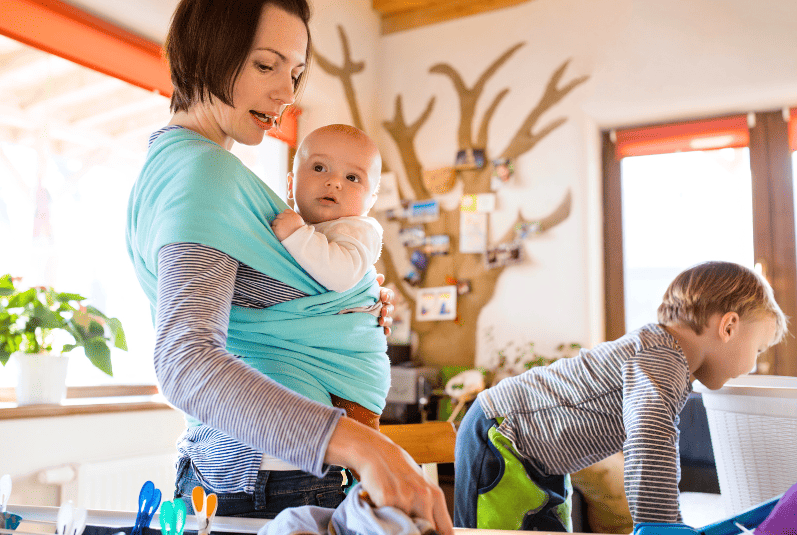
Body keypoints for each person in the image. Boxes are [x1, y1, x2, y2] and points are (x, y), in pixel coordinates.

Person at [125, 1, 452, 533]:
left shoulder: (184, 167)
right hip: (263, 475)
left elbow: (271, 296)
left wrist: (349, 308)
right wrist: (367, 446)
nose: (286, 93)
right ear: (208, 53)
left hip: (248, 465)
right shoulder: (204, 175)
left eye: (295, 73)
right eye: (265, 65)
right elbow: (184, 359)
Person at [454, 261, 787, 531]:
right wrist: (661, 524)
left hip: (538, 457)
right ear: (728, 327)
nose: (753, 364)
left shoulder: (666, 357)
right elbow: (651, 435)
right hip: (504, 437)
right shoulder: (663, 357)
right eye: (757, 349)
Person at [271, 124, 383, 295]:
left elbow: (342, 276)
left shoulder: (358, 231)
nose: (334, 182)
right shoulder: (277, 216)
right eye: (319, 168)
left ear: (370, 203)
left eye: (352, 178)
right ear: (291, 184)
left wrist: (297, 235)